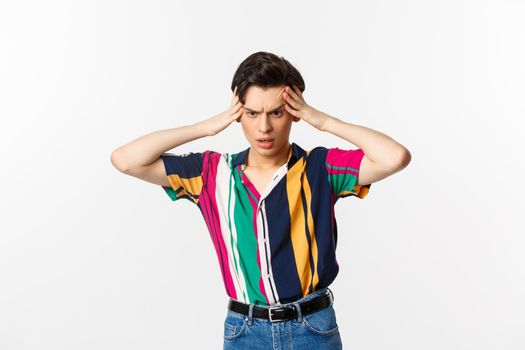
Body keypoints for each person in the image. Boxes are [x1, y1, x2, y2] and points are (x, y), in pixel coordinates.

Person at [111, 51, 411, 349]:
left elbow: (394, 157)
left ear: (294, 112)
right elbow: (125, 160)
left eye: (276, 113)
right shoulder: (212, 173)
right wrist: (208, 127)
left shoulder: (320, 168)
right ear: (239, 112)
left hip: (312, 329)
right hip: (245, 333)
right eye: (252, 113)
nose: (263, 128)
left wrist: (321, 120)